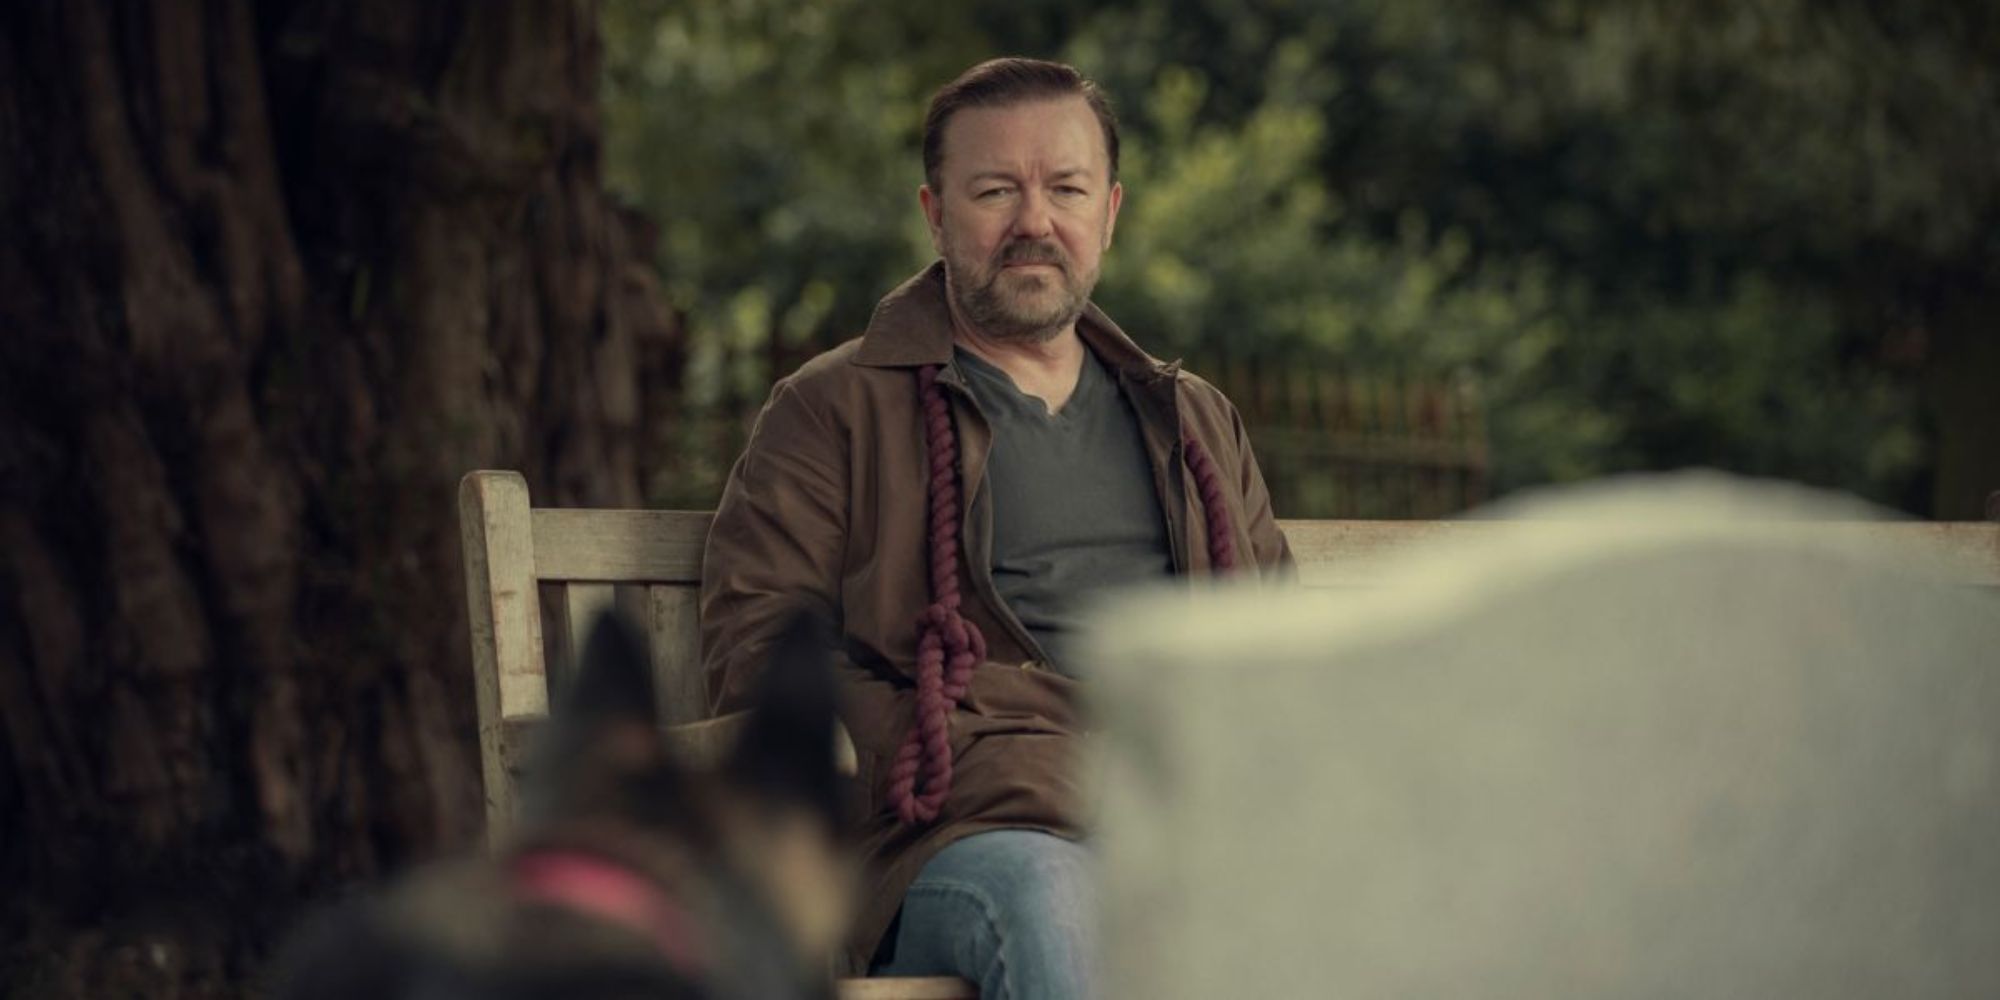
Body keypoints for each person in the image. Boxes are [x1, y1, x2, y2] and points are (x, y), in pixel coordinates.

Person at [699, 56, 1292, 998]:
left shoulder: (1191, 421)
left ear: (1111, 211)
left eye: (1066, 188)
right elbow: (765, 665)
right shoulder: (834, 410)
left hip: (1191, 825)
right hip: (960, 844)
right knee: (1055, 895)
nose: (1034, 223)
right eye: (995, 191)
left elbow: (1280, 651)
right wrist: (1018, 758)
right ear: (936, 214)